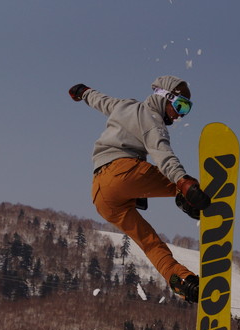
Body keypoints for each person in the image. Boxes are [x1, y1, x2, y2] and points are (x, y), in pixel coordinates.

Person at [68, 75, 210, 303]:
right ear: (165, 96)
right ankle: (187, 199)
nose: (181, 114)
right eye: (180, 105)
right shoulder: (152, 120)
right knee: (176, 183)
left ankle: (183, 281)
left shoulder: (123, 105)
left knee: (150, 242)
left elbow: (100, 100)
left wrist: (83, 91)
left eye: (186, 109)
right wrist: (184, 183)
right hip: (122, 173)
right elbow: (163, 155)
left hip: (101, 196)